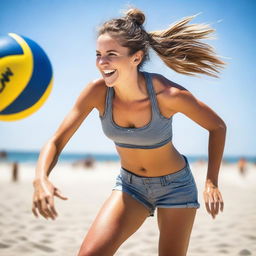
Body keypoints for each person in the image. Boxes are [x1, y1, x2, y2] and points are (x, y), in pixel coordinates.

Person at [32, 8, 226, 256]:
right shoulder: (97, 92)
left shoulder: (168, 95)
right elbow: (57, 141)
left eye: (111, 54)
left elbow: (217, 126)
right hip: (130, 186)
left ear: (136, 58)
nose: (102, 63)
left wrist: (211, 181)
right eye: (98, 54)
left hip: (176, 187)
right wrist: (41, 178)